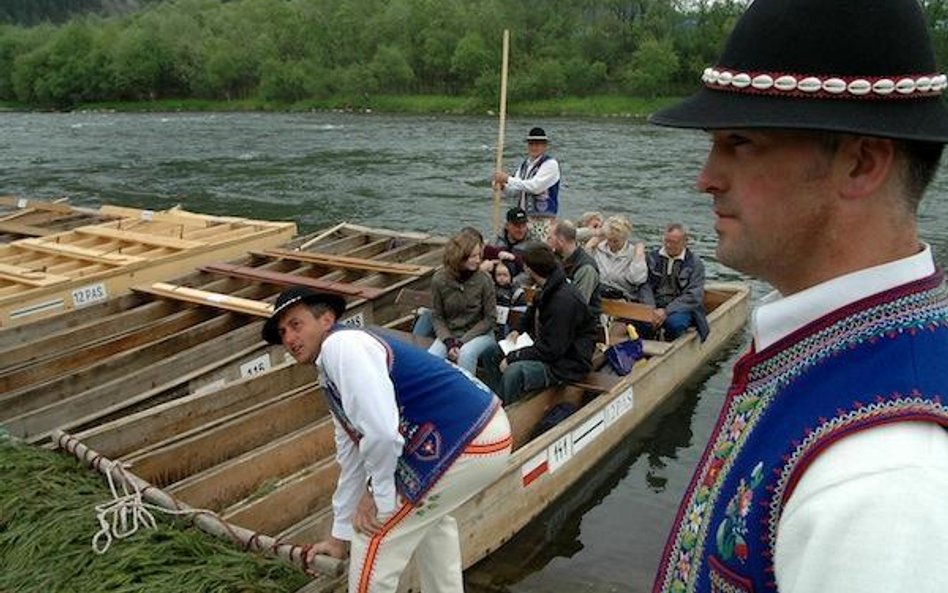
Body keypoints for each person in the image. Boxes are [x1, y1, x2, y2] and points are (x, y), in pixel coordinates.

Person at [647, 1, 948, 592]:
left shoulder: (886, 484)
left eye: (740, 142)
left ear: (861, 164)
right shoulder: (843, 345)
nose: (705, 176)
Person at [262, 286, 511, 593]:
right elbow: (352, 455)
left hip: (468, 439)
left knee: (373, 534)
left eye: (296, 325)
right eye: (283, 332)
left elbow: (381, 433)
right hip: (482, 431)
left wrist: (377, 495)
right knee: (430, 522)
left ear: (327, 319)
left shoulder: (342, 348)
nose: (289, 339)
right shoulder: (330, 373)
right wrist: (338, 537)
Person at [480, 244, 599, 404]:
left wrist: (514, 357)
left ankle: (509, 411)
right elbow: (530, 314)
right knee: (491, 353)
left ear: (529, 269)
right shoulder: (548, 287)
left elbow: (552, 350)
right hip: (547, 349)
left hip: (566, 363)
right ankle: (496, 400)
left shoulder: (563, 301)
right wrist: (516, 330)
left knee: (514, 372)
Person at [427, 231, 497, 373]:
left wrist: (462, 342)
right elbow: (437, 316)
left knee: (466, 353)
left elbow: (490, 318)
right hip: (451, 333)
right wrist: (448, 341)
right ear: (460, 257)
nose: (478, 260)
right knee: (431, 358)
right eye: (473, 256)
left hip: (480, 335)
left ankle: (467, 392)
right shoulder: (439, 280)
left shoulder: (484, 280)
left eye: (479, 255)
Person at [492, 127, 561, 241]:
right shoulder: (525, 165)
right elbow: (515, 190)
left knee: (537, 250)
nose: (534, 147)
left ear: (544, 146)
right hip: (523, 219)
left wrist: (507, 178)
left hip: (542, 219)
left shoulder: (550, 164)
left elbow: (535, 187)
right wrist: (503, 186)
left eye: (538, 144)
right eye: (531, 144)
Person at [643, 223, 708, 341]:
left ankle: (672, 348)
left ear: (685, 242)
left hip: (680, 308)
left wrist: (666, 311)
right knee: (641, 322)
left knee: (675, 324)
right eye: (666, 241)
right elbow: (644, 285)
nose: (668, 245)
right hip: (654, 305)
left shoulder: (694, 263)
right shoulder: (652, 258)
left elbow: (694, 295)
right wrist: (651, 309)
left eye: (674, 242)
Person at [546, 218, 602, 318]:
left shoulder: (586, 268)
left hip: (582, 325)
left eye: (549, 238)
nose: (547, 242)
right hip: (559, 315)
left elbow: (578, 305)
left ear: (561, 241)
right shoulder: (557, 258)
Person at [586, 215, 648, 302]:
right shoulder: (598, 248)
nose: (611, 243)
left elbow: (637, 279)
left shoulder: (632, 252)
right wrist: (588, 247)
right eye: (609, 239)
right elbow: (586, 269)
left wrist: (638, 256)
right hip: (597, 293)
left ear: (625, 238)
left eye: (616, 241)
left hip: (623, 297)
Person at [491, 260, 526, 338]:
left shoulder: (517, 292)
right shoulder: (492, 289)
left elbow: (520, 313)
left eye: (505, 275)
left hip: (509, 323)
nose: (501, 278)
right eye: (498, 275)